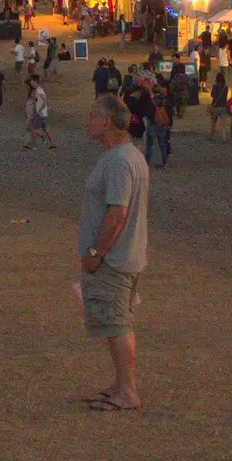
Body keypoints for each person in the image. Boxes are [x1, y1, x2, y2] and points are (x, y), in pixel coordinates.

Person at [76, 95, 150, 412]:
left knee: (117, 324)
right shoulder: (123, 156)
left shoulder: (120, 161)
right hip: (121, 256)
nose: (88, 121)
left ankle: (127, 392)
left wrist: (96, 251)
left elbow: (117, 213)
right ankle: (120, 385)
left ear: (106, 122)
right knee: (114, 322)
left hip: (114, 259)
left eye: (93, 116)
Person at [23, 75, 55, 149]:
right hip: (41, 113)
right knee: (44, 128)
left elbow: (44, 101)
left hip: (40, 113)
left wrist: (38, 110)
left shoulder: (38, 90)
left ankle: (29, 145)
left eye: (31, 81)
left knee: (34, 129)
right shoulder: (38, 90)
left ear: (34, 81)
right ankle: (52, 143)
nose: (30, 83)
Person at [208, 70, 229, 142]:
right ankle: (224, 138)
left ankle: (211, 135)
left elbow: (212, 95)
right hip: (223, 106)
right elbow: (225, 96)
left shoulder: (215, 86)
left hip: (216, 106)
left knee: (213, 122)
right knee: (223, 124)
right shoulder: (225, 87)